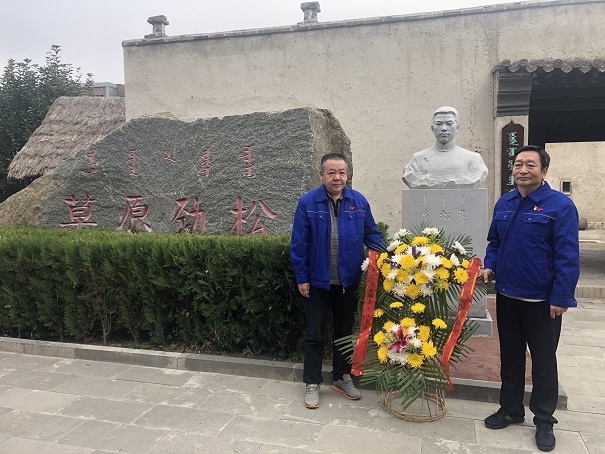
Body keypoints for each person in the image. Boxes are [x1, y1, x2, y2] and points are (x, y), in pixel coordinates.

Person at [482, 145, 579, 452]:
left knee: (544, 362)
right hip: (507, 296)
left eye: (530, 165)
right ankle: (510, 409)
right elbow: (495, 242)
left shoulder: (560, 206)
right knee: (510, 356)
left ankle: (545, 419)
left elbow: (567, 255)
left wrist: (561, 296)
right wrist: (490, 265)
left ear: (544, 171)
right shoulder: (505, 203)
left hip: (542, 302)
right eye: (518, 164)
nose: (523, 170)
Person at [290, 152, 385, 409]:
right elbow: (299, 244)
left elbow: (372, 235)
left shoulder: (359, 202)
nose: (337, 177)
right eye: (331, 172)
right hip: (318, 282)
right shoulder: (308, 203)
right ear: (321, 175)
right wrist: (302, 277)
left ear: (347, 174)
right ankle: (312, 382)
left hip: (349, 281)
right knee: (314, 334)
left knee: (344, 333)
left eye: (341, 172)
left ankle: (342, 377)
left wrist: (393, 258)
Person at [402, 106, 488, 189]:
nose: (444, 128)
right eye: (439, 124)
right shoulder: (417, 159)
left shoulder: (473, 159)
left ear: (457, 128)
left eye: (449, 124)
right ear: (432, 129)